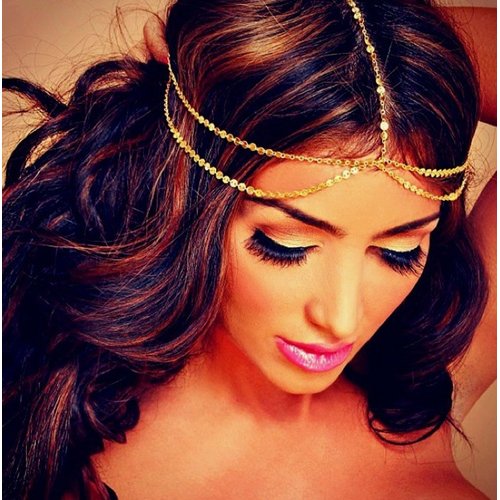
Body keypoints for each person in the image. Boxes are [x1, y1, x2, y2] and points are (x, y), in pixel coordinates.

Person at [3, 0, 496, 498]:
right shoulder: (52, 422)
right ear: (193, 201)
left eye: (400, 252)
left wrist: (377, 44)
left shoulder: (431, 385)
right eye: (286, 247)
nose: (342, 320)